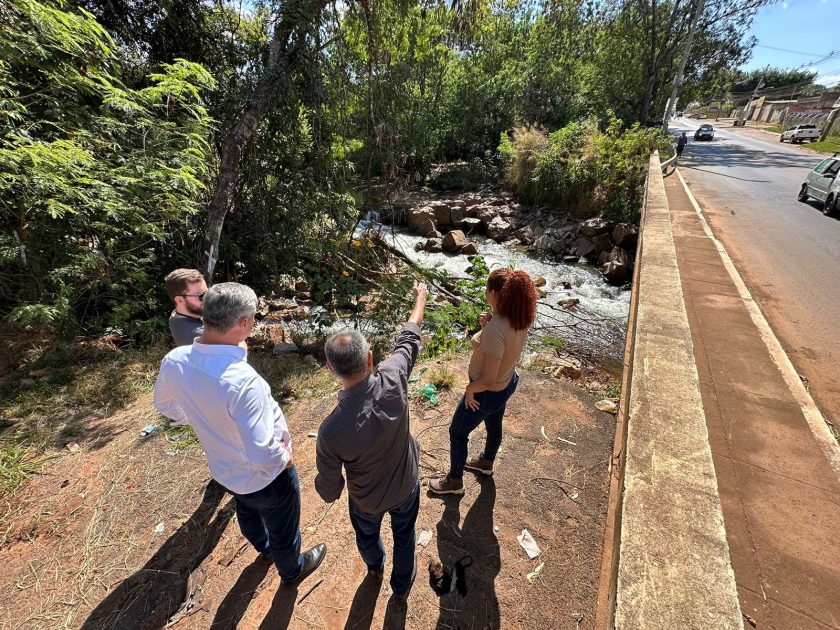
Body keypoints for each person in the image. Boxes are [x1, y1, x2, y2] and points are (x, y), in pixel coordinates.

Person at [153, 282, 326, 585]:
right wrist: (284, 459)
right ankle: (292, 568)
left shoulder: (175, 360)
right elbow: (262, 454)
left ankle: (265, 550)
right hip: (267, 477)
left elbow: (165, 406)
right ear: (244, 323)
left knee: (247, 511)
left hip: (224, 470)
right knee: (284, 527)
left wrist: (198, 417)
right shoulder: (244, 383)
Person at [315, 281, 428, 603]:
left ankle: (375, 566)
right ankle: (402, 587)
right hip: (407, 486)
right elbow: (410, 334)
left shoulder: (331, 431)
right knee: (405, 537)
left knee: (366, 534)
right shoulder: (394, 376)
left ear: (329, 368)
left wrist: (326, 489)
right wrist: (420, 297)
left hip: (367, 501)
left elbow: (329, 489)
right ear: (370, 358)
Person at [429, 269, 537, 495]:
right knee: (494, 424)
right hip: (507, 383)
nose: (486, 293)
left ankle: (454, 482)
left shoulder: (496, 329)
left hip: (487, 392)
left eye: (488, 290)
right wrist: (487, 325)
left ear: (497, 294)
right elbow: (502, 346)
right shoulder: (519, 318)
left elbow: (487, 379)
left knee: (457, 432)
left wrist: (470, 389)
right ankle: (486, 462)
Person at [164, 268, 207, 346]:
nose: (208, 299)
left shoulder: (179, 314)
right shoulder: (199, 336)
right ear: (180, 300)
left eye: (208, 292)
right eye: (202, 295)